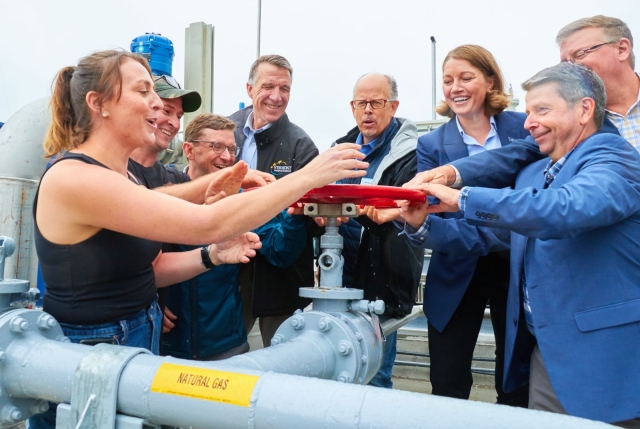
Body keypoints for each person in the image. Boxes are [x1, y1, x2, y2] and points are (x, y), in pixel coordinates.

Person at [30, 49, 368, 428]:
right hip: (90, 361)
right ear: (99, 104)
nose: (156, 105)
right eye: (143, 92)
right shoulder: (75, 178)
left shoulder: (122, 177)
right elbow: (206, 222)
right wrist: (305, 178)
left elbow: (153, 257)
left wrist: (212, 255)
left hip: (131, 345)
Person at [402, 62, 640, 427]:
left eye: (542, 110)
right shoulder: (533, 172)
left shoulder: (614, 157)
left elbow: (566, 209)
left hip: (603, 359)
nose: (528, 123)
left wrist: (461, 198)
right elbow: (485, 236)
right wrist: (421, 223)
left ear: (585, 109)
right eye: (528, 112)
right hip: (544, 355)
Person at [403, 46, 529, 405]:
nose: (455, 87)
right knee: (447, 381)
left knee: (516, 382)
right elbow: (435, 216)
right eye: (447, 80)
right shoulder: (430, 144)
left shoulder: (524, 128)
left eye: (465, 77)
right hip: (457, 263)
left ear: (490, 81)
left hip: (516, 268)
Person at [408, 15, 637, 190]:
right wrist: (450, 174)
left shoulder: (570, 123)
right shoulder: (568, 123)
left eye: (580, 54)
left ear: (622, 48)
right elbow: (512, 158)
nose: (570, 68)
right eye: (564, 61)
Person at [162, 113, 307, 360]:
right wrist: (152, 301)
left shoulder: (241, 200)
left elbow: (279, 250)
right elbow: (135, 255)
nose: (227, 156)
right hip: (168, 342)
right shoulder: (162, 191)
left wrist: (296, 214)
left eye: (231, 148)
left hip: (226, 343)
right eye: (216, 146)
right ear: (189, 149)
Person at [330, 73, 422, 389]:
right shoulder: (338, 150)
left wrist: (358, 211)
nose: (367, 110)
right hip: (341, 278)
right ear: (352, 107)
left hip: (384, 278)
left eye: (376, 102)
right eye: (361, 103)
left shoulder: (412, 153)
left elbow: (406, 212)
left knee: (376, 373)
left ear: (393, 106)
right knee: (340, 369)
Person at [228, 54, 320, 347]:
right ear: (249, 89)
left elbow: (311, 219)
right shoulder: (225, 132)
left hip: (280, 284)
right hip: (228, 277)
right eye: (268, 86)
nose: (277, 97)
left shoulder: (301, 146)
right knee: (225, 363)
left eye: (285, 89)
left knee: (282, 368)